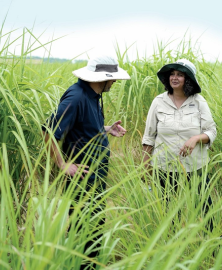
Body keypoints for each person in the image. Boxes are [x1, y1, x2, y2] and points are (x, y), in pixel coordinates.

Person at [42, 55, 130, 268]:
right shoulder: (77, 97)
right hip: (82, 180)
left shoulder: (93, 95)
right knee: (84, 232)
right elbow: (48, 131)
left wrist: (106, 129)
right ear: (103, 78)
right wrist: (63, 164)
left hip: (96, 178)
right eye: (113, 78)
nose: (115, 82)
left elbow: (83, 127)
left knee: (94, 229)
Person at [142, 59, 217, 225]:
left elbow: (211, 131)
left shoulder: (198, 101)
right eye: (172, 74)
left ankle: (212, 245)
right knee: (168, 212)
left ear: (188, 79)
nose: (174, 78)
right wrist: (144, 166)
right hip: (164, 166)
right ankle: (171, 244)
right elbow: (149, 137)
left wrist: (195, 138)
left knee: (204, 208)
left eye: (180, 75)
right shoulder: (158, 102)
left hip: (194, 166)